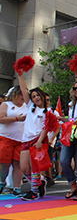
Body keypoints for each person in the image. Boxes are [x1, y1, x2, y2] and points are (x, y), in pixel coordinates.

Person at [18, 73, 51, 201]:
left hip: (37, 140)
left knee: (34, 168)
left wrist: (40, 141)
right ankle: (40, 181)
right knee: (24, 168)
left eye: (38, 95)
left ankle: (34, 192)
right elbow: (24, 90)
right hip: (25, 140)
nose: (36, 98)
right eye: (33, 96)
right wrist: (20, 75)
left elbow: (46, 127)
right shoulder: (30, 106)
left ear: (42, 96)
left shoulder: (48, 112)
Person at [0, 86, 27, 196]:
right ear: (15, 94)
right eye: (20, 94)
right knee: (4, 164)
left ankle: (17, 187)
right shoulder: (6, 105)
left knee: (17, 164)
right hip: (6, 138)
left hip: (21, 140)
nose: (22, 97)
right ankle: (2, 182)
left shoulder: (27, 106)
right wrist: (16, 119)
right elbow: (1, 119)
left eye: (24, 94)